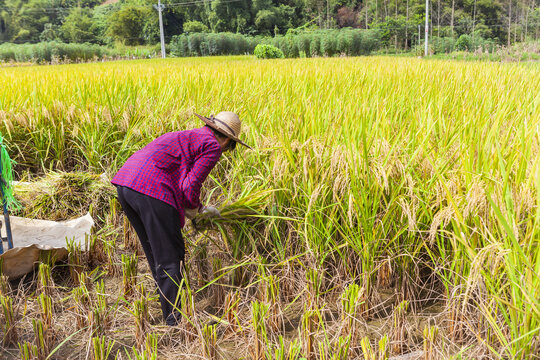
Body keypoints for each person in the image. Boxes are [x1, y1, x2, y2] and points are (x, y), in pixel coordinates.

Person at [111, 111, 251, 326]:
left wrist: (196, 206)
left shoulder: (189, 135)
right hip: (151, 188)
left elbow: (175, 174)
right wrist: (195, 210)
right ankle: (176, 320)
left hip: (126, 184)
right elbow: (189, 185)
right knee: (170, 256)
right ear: (227, 140)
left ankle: (171, 310)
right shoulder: (213, 146)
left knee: (155, 252)